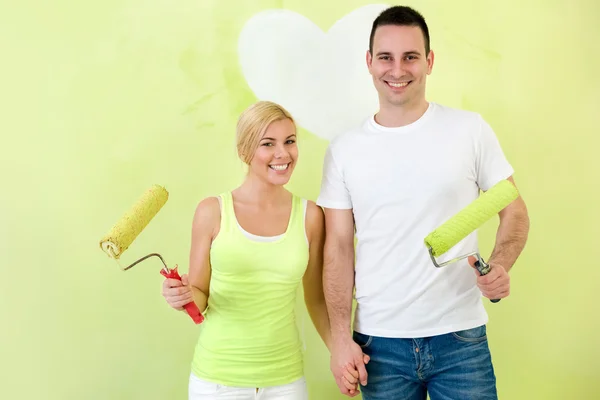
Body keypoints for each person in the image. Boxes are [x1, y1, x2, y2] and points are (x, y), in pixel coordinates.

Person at [317, 5, 530, 400]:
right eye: (386, 57)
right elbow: (339, 249)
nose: (397, 70)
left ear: (429, 61)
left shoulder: (469, 131)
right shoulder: (344, 150)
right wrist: (339, 339)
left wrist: (500, 263)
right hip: (379, 345)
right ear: (369, 62)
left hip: (460, 340)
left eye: (410, 57)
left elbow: (514, 209)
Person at [161, 100, 366, 399]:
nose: (283, 154)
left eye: (290, 141)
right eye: (267, 144)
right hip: (218, 382)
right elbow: (200, 295)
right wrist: (182, 295)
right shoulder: (212, 212)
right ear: (246, 151)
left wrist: (341, 352)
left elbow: (316, 298)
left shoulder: (309, 215)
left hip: (285, 381)